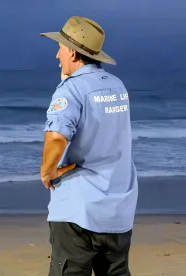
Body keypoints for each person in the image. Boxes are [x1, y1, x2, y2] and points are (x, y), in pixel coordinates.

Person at [39, 16, 138, 276]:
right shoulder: (117, 87)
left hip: (78, 211)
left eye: (60, 48)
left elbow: (57, 136)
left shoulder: (71, 90)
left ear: (72, 52)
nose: (57, 55)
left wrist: (47, 172)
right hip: (118, 209)